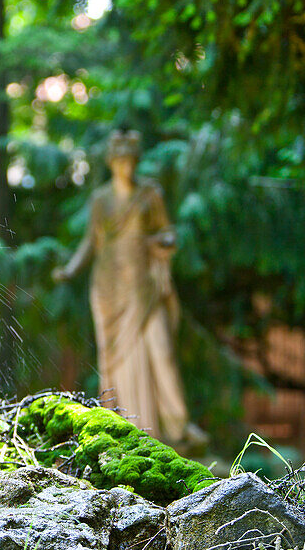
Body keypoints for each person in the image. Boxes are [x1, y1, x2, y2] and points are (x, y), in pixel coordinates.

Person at [54, 129, 205, 446]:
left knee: (162, 351)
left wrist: (164, 241)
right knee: (117, 360)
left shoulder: (150, 194)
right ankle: (128, 429)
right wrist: (69, 270)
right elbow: (90, 244)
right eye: (121, 161)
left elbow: (168, 231)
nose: (127, 167)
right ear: (112, 163)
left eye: (131, 160)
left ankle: (178, 427)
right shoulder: (101, 200)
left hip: (145, 286)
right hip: (110, 288)